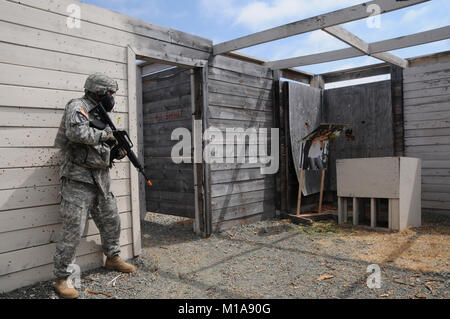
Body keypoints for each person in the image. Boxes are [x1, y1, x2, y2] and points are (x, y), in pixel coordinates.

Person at [53, 73, 136, 299]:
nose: (112, 98)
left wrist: (115, 151)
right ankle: (62, 278)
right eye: (110, 93)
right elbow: (76, 132)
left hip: (100, 178)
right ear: (98, 91)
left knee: (112, 220)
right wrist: (106, 136)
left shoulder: (100, 112)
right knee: (73, 230)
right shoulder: (77, 106)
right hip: (78, 179)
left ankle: (113, 257)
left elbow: (101, 146)